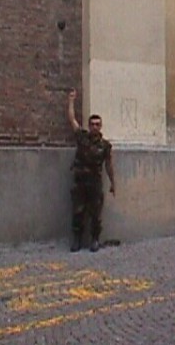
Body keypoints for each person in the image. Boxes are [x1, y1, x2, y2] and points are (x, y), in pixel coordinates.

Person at [67, 88, 115, 252]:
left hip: (95, 182)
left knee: (95, 213)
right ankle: (77, 240)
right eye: (92, 124)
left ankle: (95, 239)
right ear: (89, 125)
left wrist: (113, 183)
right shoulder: (82, 137)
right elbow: (72, 119)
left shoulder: (105, 145)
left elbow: (108, 165)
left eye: (97, 124)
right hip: (80, 181)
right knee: (78, 212)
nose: (94, 127)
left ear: (100, 126)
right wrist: (71, 101)